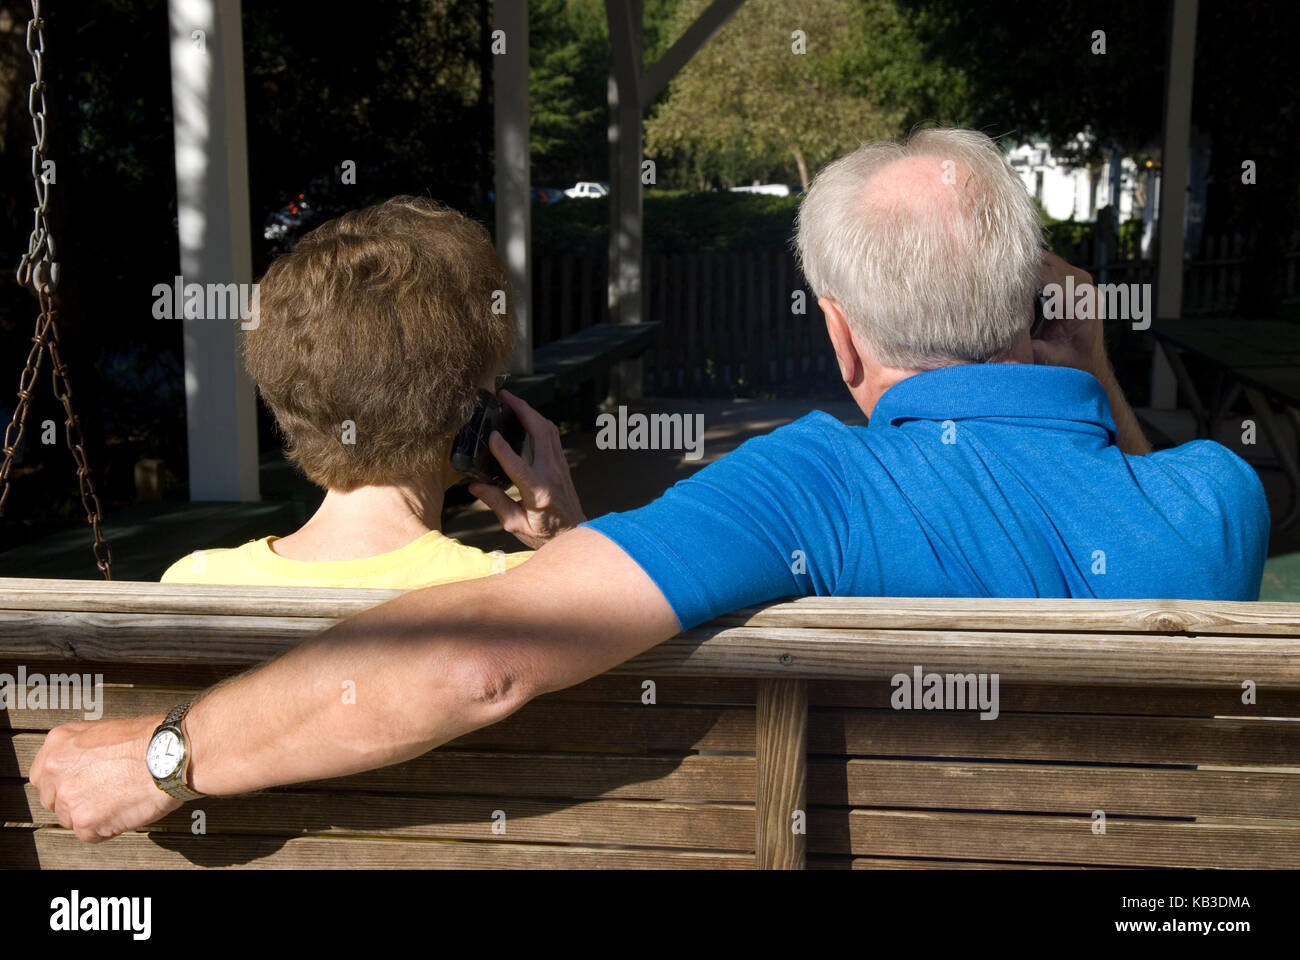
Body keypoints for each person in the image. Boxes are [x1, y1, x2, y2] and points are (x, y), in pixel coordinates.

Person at [32, 128, 1269, 842]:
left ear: (840, 340)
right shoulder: (1222, 498)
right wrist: (1093, 361)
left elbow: (479, 657)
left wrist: (164, 754)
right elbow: (1113, 490)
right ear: (1039, 311)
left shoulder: (804, 485)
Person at [159, 196, 584, 589]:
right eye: (498, 384)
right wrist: (569, 541)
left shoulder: (191, 580)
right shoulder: (532, 595)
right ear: (476, 410)